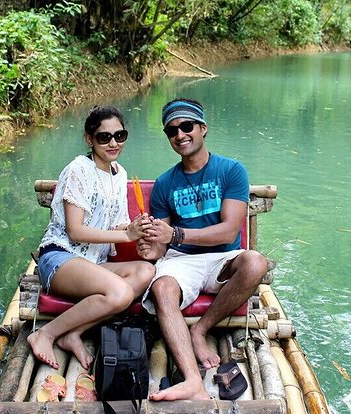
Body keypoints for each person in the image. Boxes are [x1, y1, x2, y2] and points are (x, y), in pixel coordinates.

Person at [137, 98, 268, 401]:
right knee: (163, 288)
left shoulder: (231, 170)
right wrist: (148, 246)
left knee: (256, 263)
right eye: (172, 130)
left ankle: (201, 329)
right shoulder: (164, 183)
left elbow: (230, 229)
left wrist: (177, 233)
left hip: (223, 256)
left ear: (202, 128)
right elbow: (160, 246)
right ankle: (193, 380)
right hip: (181, 260)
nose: (180, 135)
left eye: (186, 126)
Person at [27, 105, 155, 370]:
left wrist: (136, 228)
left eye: (119, 136)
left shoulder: (119, 173)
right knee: (120, 293)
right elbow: (76, 230)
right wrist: (127, 235)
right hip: (61, 257)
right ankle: (46, 334)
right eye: (104, 137)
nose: (113, 143)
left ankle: (73, 332)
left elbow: (118, 223)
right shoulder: (78, 170)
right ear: (89, 138)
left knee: (146, 271)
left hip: (93, 263)